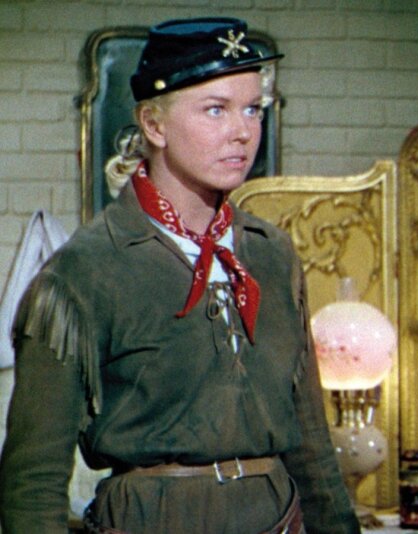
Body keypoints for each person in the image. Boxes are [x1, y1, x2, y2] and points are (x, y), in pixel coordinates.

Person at [0, 17, 360, 534]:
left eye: (253, 109)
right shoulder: (85, 270)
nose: (243, 131)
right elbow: (32, 484)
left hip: (278, 520)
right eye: (216, 109)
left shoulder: (272, 255)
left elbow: (312, 446)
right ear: (154, 125)